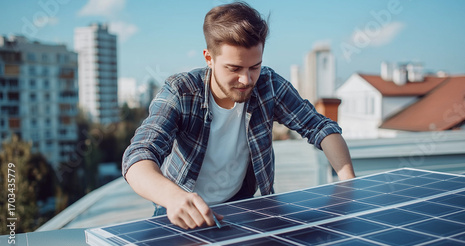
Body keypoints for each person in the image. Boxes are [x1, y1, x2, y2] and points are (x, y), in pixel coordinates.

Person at [122, 1, 355, 230]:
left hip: (241, 207)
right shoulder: (180, 92)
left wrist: (348, 184)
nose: (246, 80)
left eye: (254, 67)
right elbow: (138, 155)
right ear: (209, 59)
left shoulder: (268, 84)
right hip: (180, 211)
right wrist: (173, 197)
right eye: (234, 69)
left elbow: (319, 127)